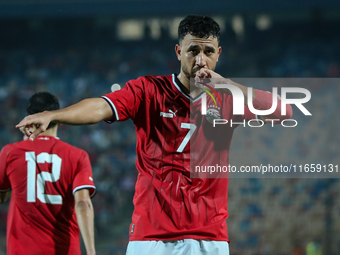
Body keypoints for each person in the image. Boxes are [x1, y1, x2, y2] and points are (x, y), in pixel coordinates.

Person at [16, 15, 292, 255]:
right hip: (152, 236)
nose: (200, 59)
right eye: (192, 49)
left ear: (219, 53)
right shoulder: (149, 91)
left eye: (208, 51)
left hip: (210, 237)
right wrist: (55, 115)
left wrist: (225, 83)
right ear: (178, 51)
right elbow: (101, 106)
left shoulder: (227, 99)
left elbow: (285, 111)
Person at [1, 92, 96, 255]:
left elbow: (1, 197)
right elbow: (83, 203)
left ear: (28, 120)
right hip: (65, 250)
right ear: (59, 121)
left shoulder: (11, 153)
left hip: (22, 250)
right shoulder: (77, 155)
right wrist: (91, 251)